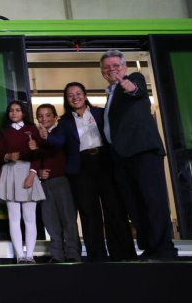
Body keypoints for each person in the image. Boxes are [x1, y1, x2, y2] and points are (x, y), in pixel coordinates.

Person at [43, 82, 135, 262]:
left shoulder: (101, 113)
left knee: (114, 209)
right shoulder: (65, 122)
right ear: (66, 99)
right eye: (70, 95)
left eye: (78, 93)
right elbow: (59, 141)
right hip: (81, 167)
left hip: (105, 163)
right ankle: (97, 256)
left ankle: (123, 254)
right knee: (89, 212)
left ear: (85, 95)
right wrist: (47, 137)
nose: (75, 97)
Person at [100, 49, 178, 260]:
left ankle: (164, 250)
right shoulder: (110, 94)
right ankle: (150, 248)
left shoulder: (133, 78)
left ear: (124, 67)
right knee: (136, 204)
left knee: (153, 201)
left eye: (116, 65)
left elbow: (137, 90)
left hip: (142, 151)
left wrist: (130, 86)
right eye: (107, 67)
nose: (112, 70)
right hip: (122, 157)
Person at [0, 101, 45, 264]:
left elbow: (38, 154)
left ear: (24, 112)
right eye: (11, 110)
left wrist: (32, 174)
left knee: (30, 217)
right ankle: (19, 255)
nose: (14, 113)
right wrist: (7, 156)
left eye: (17, 110)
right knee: (14, 217)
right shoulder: (3, 131)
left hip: (28, 171)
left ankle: (29, 255)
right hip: (10, 171)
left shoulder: (32, 129)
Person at [35, 104, 81, 263]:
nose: (44, 119)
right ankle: (57, 255)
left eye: (48, 115)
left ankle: (72, 254)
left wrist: (46, 137)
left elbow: (61, 147)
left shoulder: (61, 132)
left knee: (68, 219)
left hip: (64, 181)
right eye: (40, 116)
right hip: (45, 183)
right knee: (50, 221)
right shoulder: (36, 137)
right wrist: (39, 171)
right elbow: (35, 159)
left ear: (55, 117)